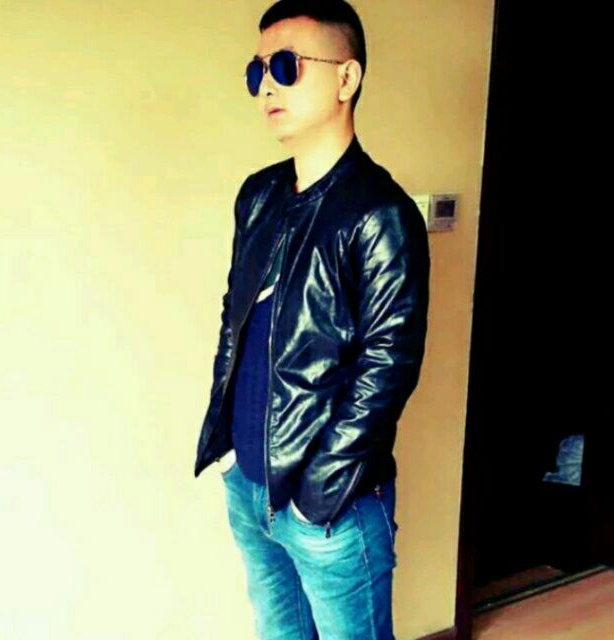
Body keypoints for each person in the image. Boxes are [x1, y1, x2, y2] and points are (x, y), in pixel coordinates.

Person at [194, 1, 431, 638]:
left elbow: (389, 369)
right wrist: (227, 452)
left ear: (346, 78)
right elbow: (234, 321)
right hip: (249, 485)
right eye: (257, 71)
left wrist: (316, 495)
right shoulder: (259, 195)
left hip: (329, 504)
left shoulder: (380, 214)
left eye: (286, 66)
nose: (266, 86)